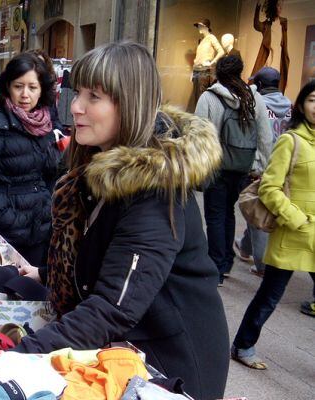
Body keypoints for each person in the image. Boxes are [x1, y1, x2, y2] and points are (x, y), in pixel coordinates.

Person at [13, 42, 230, 399]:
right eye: (78, 93)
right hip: (127, 349)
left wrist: (15, 355)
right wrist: (46, 273)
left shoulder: (156, 189)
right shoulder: (104, 165)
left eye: (94, 97)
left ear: (130, 103)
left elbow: (112, 308)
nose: (76, 106)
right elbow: (104, 251)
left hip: (169, 366)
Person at [231, 80, 315, 370]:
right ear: (301, 105)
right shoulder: (291, 141)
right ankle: (243, 345)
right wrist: (295, 218)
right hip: (293, 233)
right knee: (269, 296)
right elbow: (269, 188)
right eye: (312, 100)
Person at [0, 53, 59, 267]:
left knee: (34, 284)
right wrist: (9, 220)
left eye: (32, 87)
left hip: (40, 228)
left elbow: (47, 175)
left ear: (42, 90)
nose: (25, 94)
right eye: (19, 86)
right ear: (8, 87)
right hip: (6, 231)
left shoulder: (43, 124)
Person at [195, 55, 273, 284]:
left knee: (215, 216)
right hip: (243, 167)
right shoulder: (253, 98)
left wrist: (198, 166)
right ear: (241, 72)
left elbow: (198, 136)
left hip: (216, 167)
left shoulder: (209, 98)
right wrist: (261, 165)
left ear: (217, 72)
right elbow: (265, 136)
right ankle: (226, 263)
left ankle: (217, 267)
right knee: (228, 212)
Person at [235, 66, 292, 276]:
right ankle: (245, 247)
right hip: (286, 168)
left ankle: (262, 266)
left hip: (263, 167)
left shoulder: (256, 105)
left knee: (258, 211)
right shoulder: (292, 106)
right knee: (257, 208)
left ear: (259, 85)